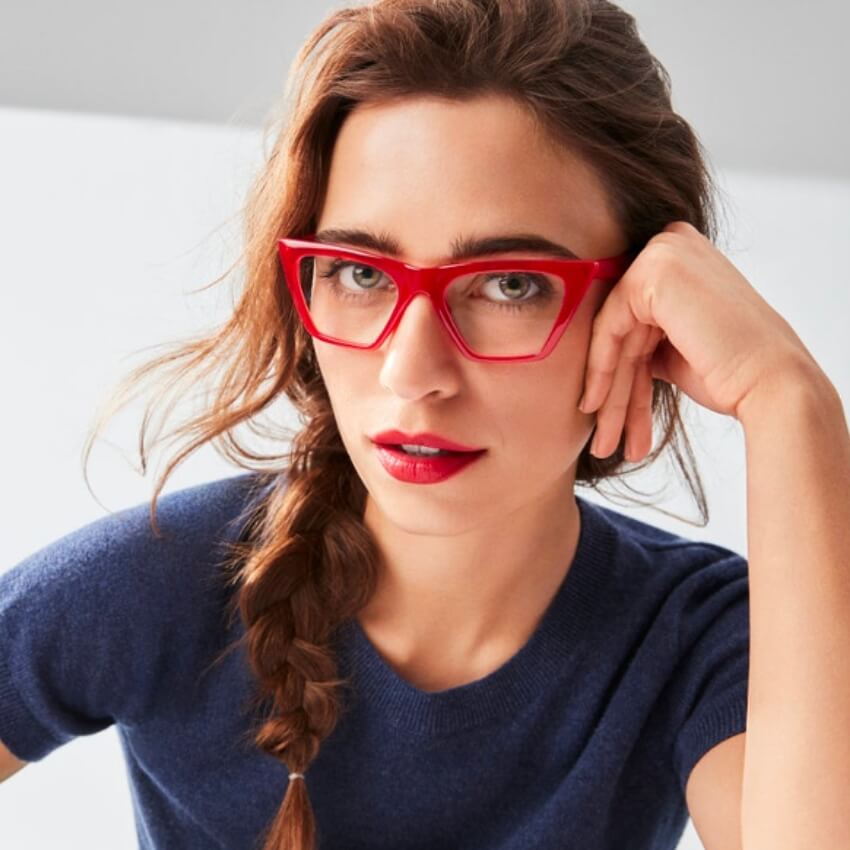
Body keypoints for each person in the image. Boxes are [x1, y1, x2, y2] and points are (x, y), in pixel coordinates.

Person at [3, 1, 848, 849]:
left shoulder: (695, 640)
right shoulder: (159, 588)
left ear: (645, 309)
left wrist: (790, 403)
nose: (413, 372)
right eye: (358, 273)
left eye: (511, 285)